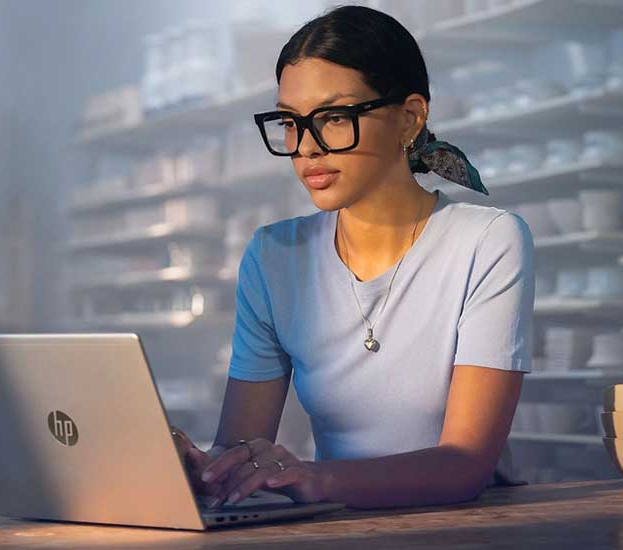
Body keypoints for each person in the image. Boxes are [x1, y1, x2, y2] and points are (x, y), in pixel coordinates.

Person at [173, 4, 534, 510]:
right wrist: (207, 470)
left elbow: (464, 465)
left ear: (410, 117)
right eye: (291, 123)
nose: (307, 149)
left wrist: (313, 480)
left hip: (465, 528)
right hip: (343, 528)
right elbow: (241, 445)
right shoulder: (274, 256)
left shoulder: (488, 240)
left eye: (334, 118)